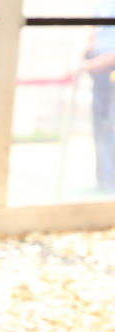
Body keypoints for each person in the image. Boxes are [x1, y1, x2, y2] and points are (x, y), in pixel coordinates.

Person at [83, 0, 115, 192]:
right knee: (101, 129)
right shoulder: (102, 4)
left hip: (109, 68)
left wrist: (93, 64)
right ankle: (104, 183)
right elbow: (91, 31)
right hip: (99, 73)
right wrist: (85, 58)